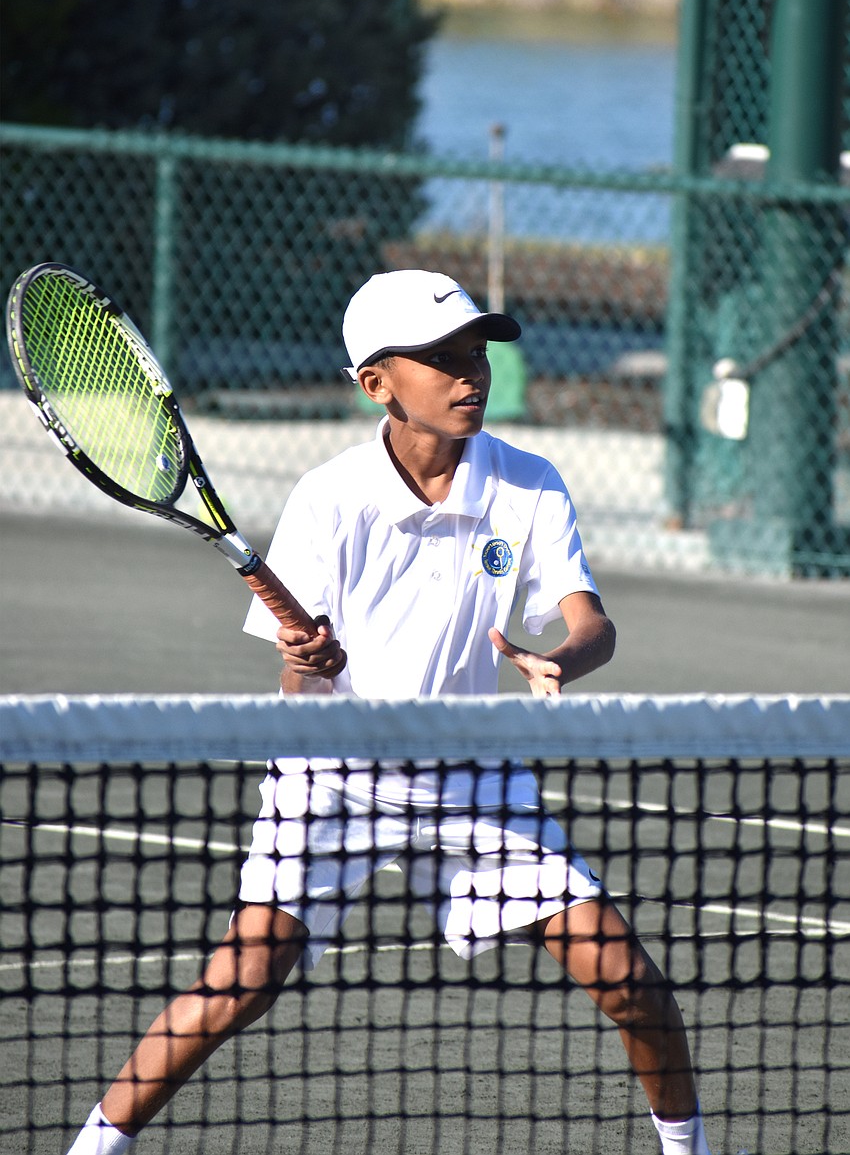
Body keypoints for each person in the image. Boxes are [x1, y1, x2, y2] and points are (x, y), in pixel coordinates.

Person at [68, 270, 712, 1155]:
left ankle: (690, 1153)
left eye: (476, 354)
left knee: (630, 980)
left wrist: (558, 659)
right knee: (242, 977)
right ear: (377, 383)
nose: (470, 375)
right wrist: (309, 666)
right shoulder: (330, 499)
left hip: (474, 776)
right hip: (333, 776)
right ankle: (94, 1146)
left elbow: (590, 622)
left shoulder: (528, 483)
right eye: (442, 359)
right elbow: (299, 708)